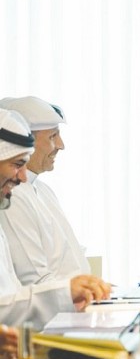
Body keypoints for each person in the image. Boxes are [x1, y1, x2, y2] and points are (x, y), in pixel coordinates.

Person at [0, 109, 110, 329]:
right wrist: (65, 294)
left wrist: (73, 293)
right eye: (17, 164)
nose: (23, 177)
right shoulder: (15, 198)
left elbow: (10, 301)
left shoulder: (40, 191)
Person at [0, 96, 91, 284]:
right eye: (52, 136)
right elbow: (34, 280)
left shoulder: (44, 190)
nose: (61, 145)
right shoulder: (11, 195)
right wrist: (72, 293)